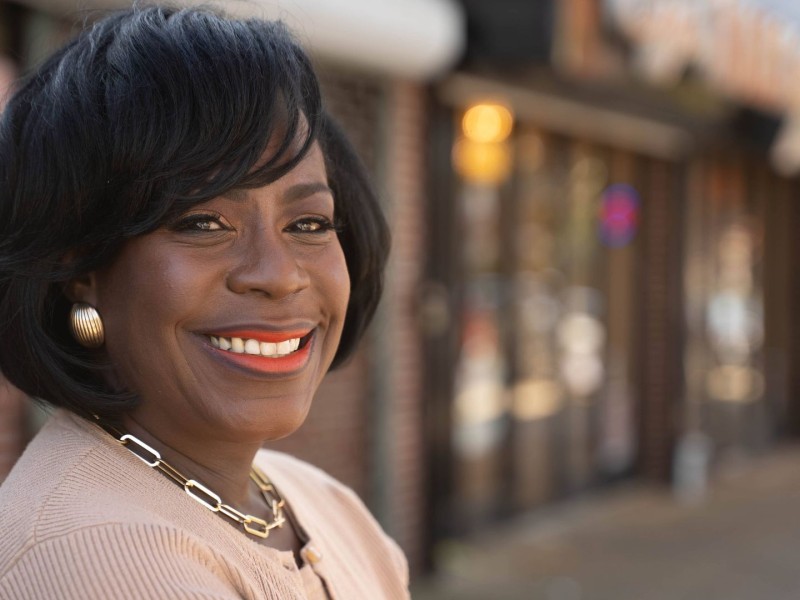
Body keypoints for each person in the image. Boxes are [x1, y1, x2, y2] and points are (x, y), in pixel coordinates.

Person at [0, 5, 406, 599]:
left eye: (310, 223)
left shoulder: (317, 502)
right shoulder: (98, 554)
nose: (277, 275)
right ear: (80, 265)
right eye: (202, 221)